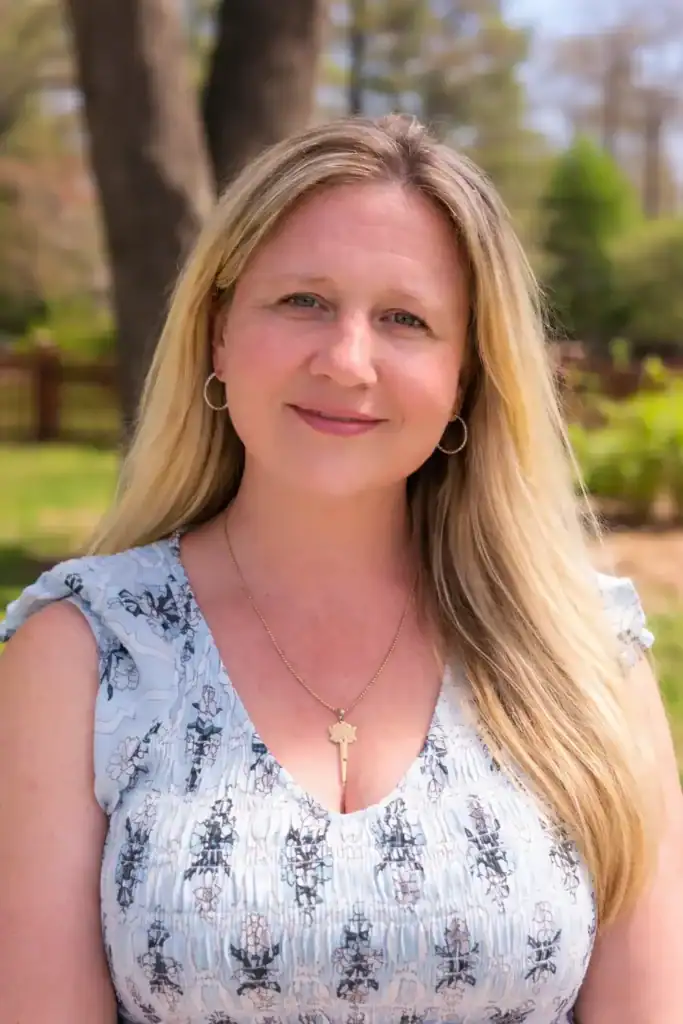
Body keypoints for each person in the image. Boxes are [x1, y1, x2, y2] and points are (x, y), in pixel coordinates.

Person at [0, 114, 680, 1024]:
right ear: (217, 334)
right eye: (302, 302)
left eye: (405, 320)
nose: (346, 360)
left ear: (466, 377)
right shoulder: (85, 654)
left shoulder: (585, 654)